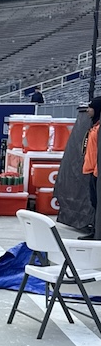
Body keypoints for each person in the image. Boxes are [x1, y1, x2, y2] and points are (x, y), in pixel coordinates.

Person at [80, 96, 101, 240]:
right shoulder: (94, 126)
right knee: (94, 203)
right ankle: (94, 229)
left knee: (97, 202)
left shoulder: (98, 129)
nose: (88, 110)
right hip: (92, 170)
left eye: (91, 108)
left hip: (96, 172)